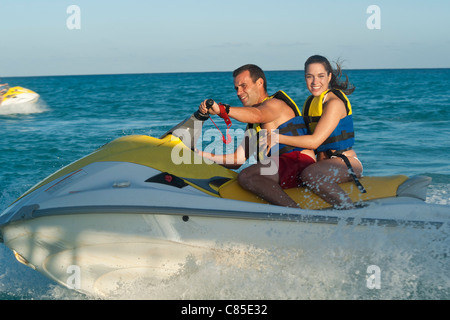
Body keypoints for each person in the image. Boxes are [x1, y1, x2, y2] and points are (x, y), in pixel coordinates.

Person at [197, 64, 316, 207]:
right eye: (236, 88)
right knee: (237, 180)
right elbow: (236, 160)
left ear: (259, 83)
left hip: (298, 162)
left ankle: (296, 213)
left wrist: (222, 110)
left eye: (243, 86)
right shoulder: (253, 125)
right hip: (282, 167)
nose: (239, 92)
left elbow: (258, 115)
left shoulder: (275, 105)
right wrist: (197, 154)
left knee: (248, 176)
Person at [274, 55, 364, 209]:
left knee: (310, 175)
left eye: (320, 76)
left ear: (329, 76)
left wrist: (275, 137)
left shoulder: (334, 103)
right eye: (310, 77)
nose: (315, 82)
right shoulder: (310, 103)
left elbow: (314, 141)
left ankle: (351, 213)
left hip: (346, 164)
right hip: (321, 164)